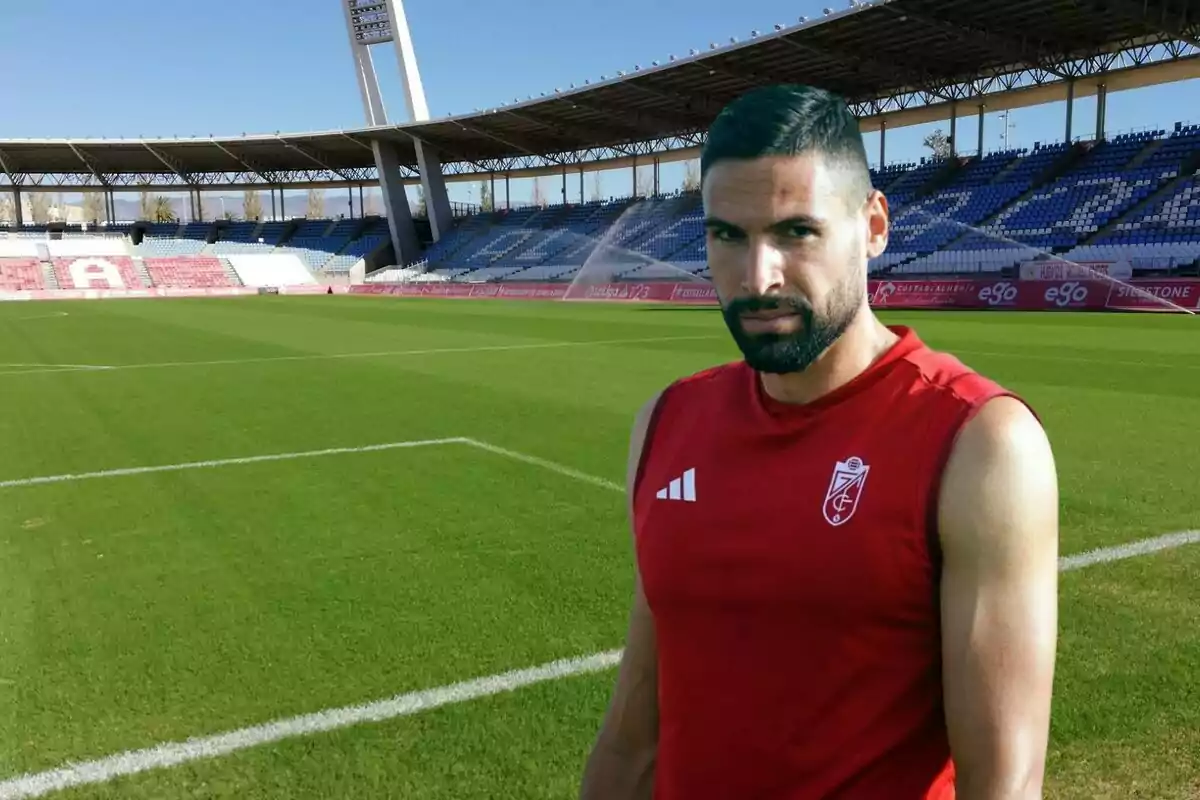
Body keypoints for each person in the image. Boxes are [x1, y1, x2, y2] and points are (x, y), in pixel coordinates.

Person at [578, 84, 1059, 800]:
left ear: (873, 226)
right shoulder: (667, 423)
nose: (757, 277)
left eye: (795, 232)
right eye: (727, 236)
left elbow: (1005, 786)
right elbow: (631, 736)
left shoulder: (979, 444)